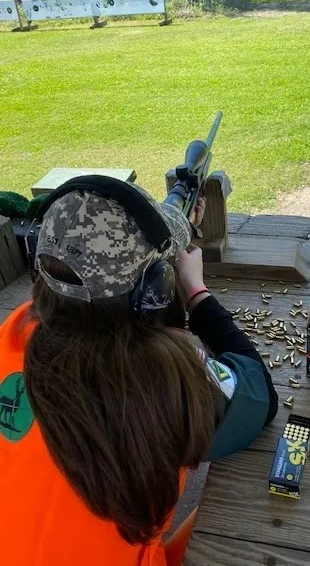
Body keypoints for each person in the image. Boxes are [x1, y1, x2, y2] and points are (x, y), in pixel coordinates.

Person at [0, 184, 278, 566]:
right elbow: (259, 395)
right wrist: (196, 291)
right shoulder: (160, 381)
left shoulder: (12, 333)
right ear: (157, 290)